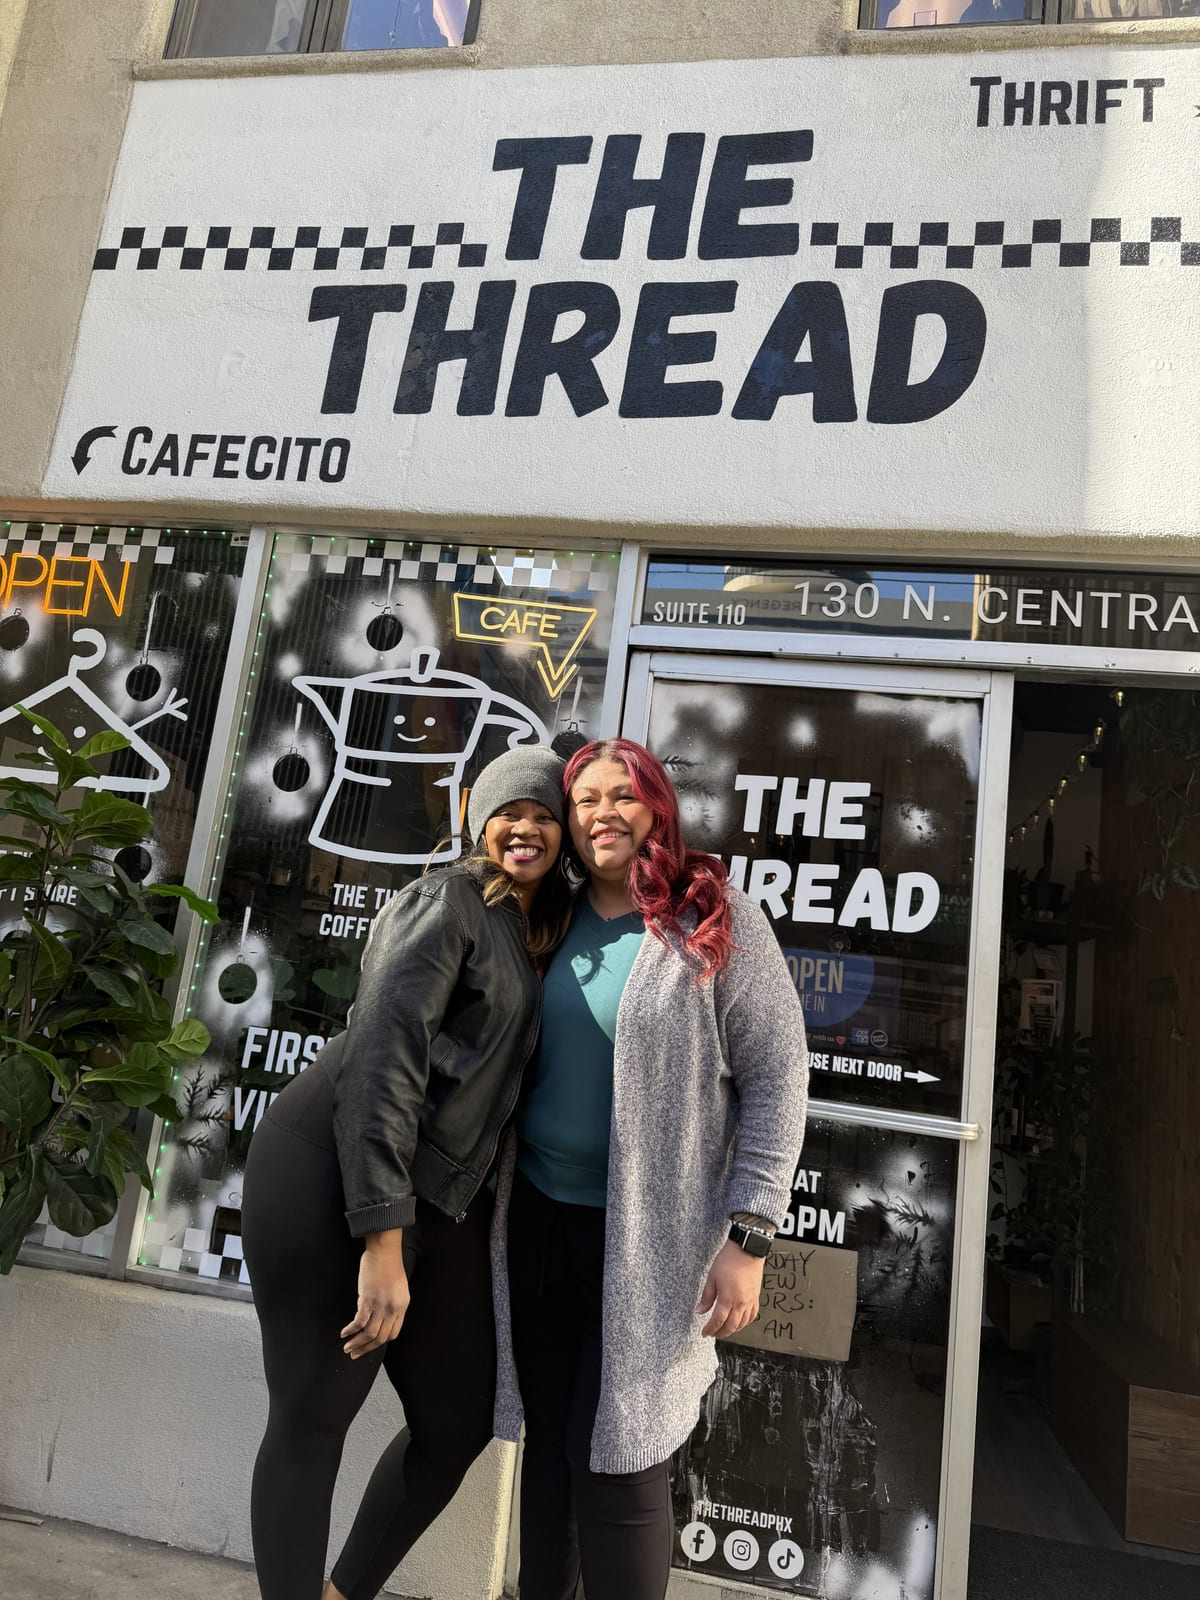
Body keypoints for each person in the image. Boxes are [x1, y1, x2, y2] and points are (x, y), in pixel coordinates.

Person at [240, 745, 569, 1600]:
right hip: (333, 1174)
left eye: (543, 814)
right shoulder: (447, 900)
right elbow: (384, 1060)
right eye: (509, 811)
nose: (525, 827)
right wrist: (381, 1239)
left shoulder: (537, 931)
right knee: (314, 1419)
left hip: (438, 1197)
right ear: (476, 818)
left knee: (456, 1421)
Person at [492, 737, 810, 1600]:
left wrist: (750, 1235)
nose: (603, 813)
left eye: (622, 795)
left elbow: (780, 1077)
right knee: (554, 1443)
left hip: (653, 1244)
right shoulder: (542, 918)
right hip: (538, 1222)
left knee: (625, 1458)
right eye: (584, 798)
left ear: (657, 807)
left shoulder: (714, 917)